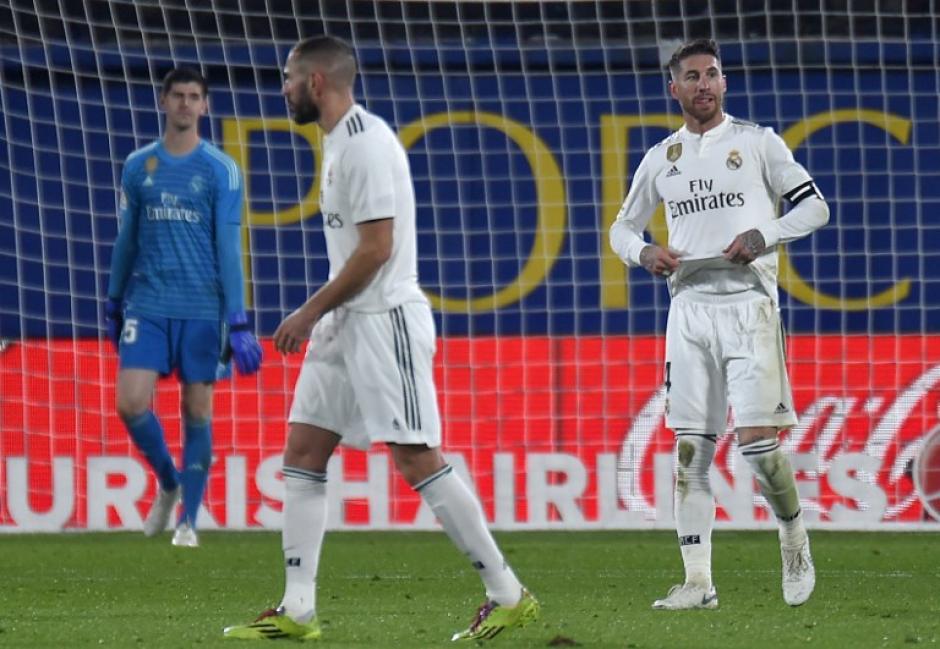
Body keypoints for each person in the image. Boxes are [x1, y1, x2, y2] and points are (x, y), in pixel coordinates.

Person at [222, 36, 539, 642]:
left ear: (316, 82)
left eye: (288, 78)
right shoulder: (337, 142)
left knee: (416, 456)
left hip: (383, 320)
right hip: (346, 323)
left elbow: (377, 249)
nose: (282, 88)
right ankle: (298, 609)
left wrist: (309, 311)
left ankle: (507, 593)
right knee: (304, 451)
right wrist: (325, 316)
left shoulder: (366, 144)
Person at [609, 38, 829, 610]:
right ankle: (698, 582)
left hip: (749, 308)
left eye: (712, 74)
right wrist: (644, 253)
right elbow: (621, 228)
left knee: (758, 448)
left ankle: (793, 536)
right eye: (692, 76)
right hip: (688, 312)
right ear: (674, 88)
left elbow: (815, 206)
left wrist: (765, 234)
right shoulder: (662, 157)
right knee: (691, 453)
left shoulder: (758, 143)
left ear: (724, 83)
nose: (703, 84)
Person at [105, 67, 262, 548]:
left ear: (205, 105)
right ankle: (169, 481)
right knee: (130, 402)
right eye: (178, 95)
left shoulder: (220, 169)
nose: (186, 104)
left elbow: (229, 248)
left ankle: (188, 521)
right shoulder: (139, 166)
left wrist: (237, 319)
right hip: (148, 302)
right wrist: (113, 300)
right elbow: (127, 238)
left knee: (196, 407)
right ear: (163, 100)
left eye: (195, 97)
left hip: (202, 306)